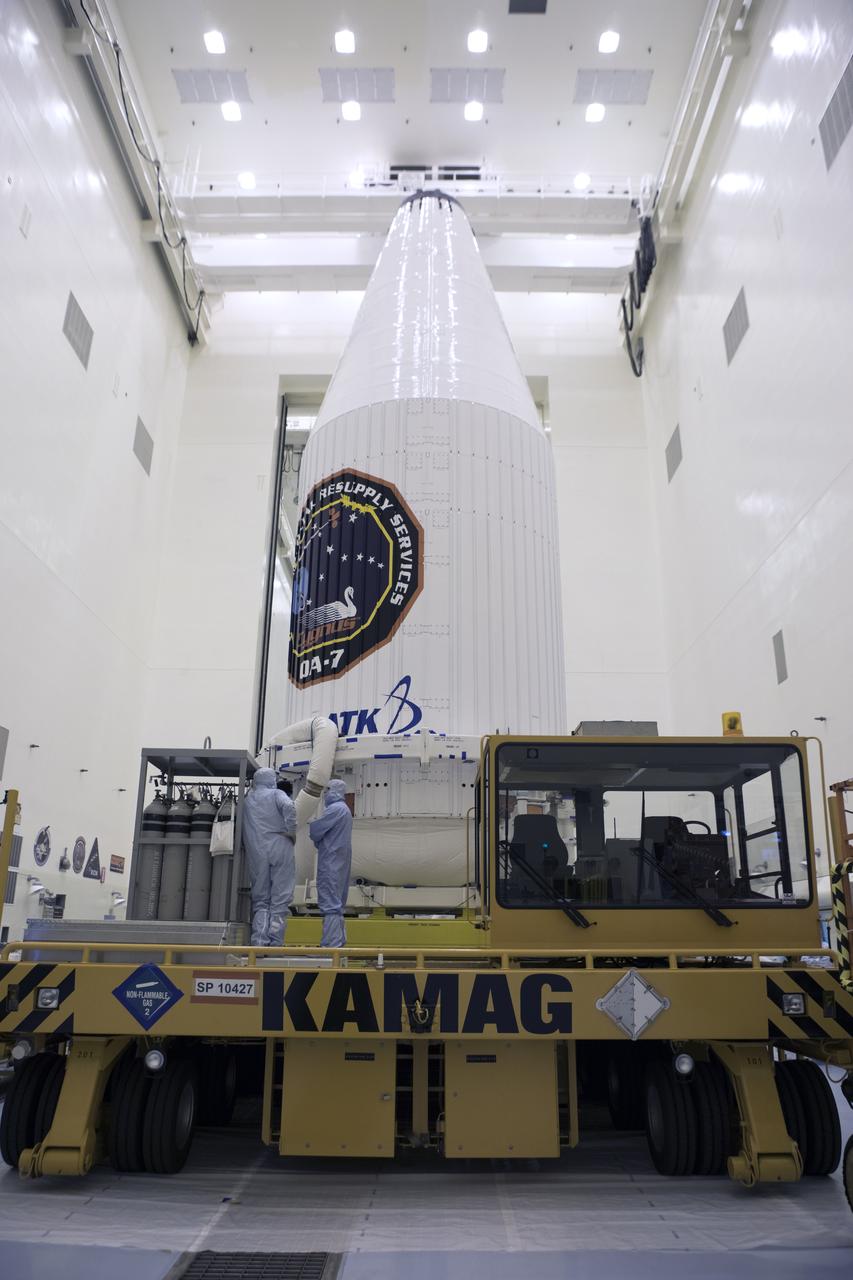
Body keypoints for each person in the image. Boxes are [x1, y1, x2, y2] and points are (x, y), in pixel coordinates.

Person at [241, 768, 296, 947]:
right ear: (272, 779)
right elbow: (289, 806)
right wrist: (291, 831)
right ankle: (275, 943)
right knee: (280, 899)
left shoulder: (248, 800)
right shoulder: (276, 794)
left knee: (261, 899)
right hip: (280, 846)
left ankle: (259, 941)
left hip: (258, 850)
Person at [309, 779, 353, 947]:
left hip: (330, 862)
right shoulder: (345, 810)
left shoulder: (335, 809)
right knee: (336, 903)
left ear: (335, 790)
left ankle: (330, 946)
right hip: (338, 861)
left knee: (330, 903)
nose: (325, 793)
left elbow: (316, 830)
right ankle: (337, 942)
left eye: (327, 790)